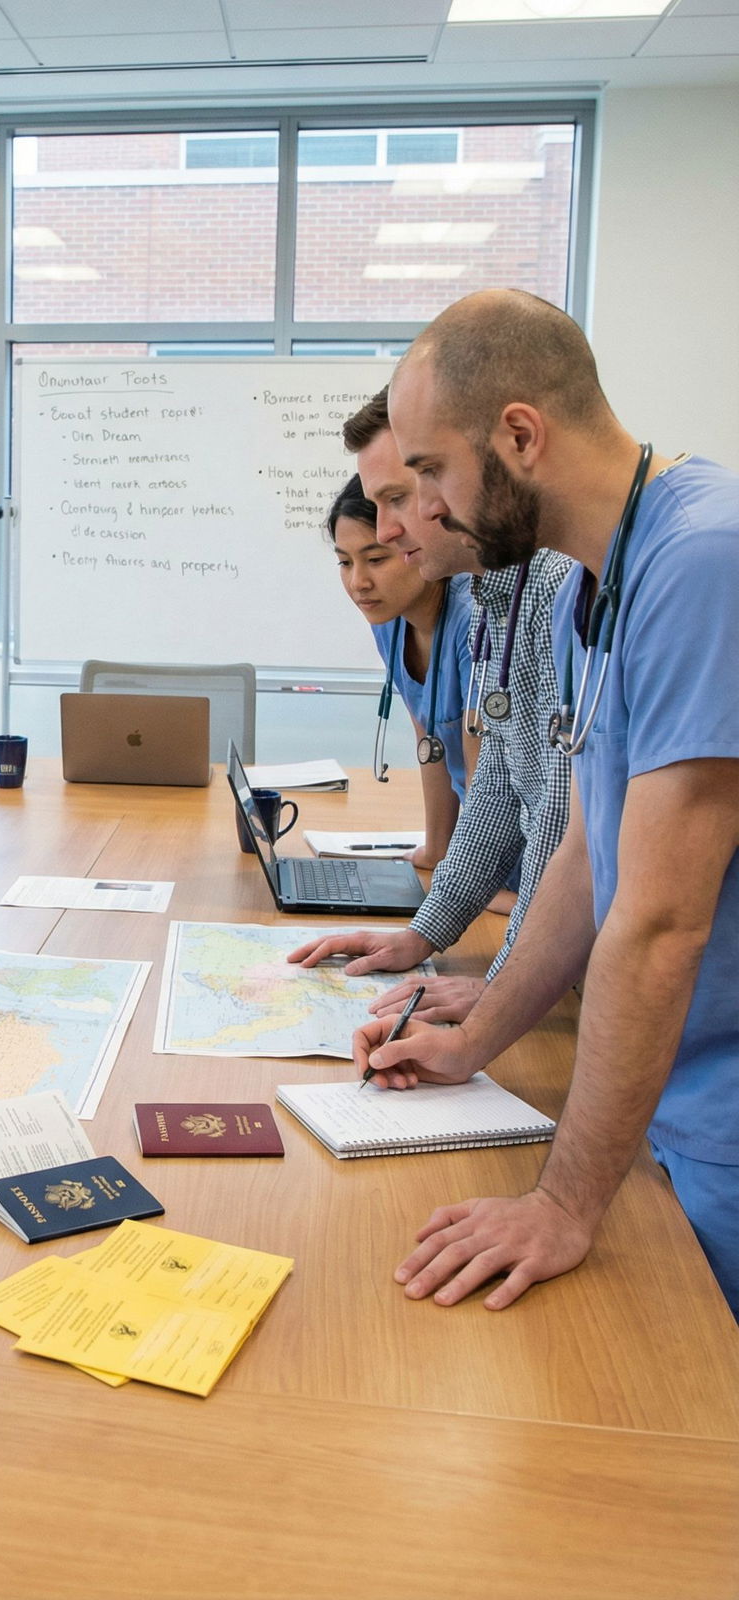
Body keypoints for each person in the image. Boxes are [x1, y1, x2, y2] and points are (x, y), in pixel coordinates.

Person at [355, 288, 739, 1317]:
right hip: (665, 1097)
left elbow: (660, 923)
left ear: (519, 436)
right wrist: (473, 1040)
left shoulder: (706, 560)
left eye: (432, 471)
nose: (424, 511)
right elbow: (581, 852)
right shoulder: (582, 587)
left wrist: (563, 1203)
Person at [290, 388, 574, 1024]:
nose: (389, 527)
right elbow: (499, 787)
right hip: (561, 943)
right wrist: (425, 931)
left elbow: (557, 819)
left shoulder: (555, 587)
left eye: (402, 495)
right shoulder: (497, 595)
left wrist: (506, 983)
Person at [323, 471, 475, 871]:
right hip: (470, 857)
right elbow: (430, 739)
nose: (358, 582)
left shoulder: (473, 622)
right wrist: (436, 851)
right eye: (344, 562)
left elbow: (486, 785)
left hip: (513, 860)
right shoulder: (389, 621)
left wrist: (463, 876)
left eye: (376, 559)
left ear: (414, 545)